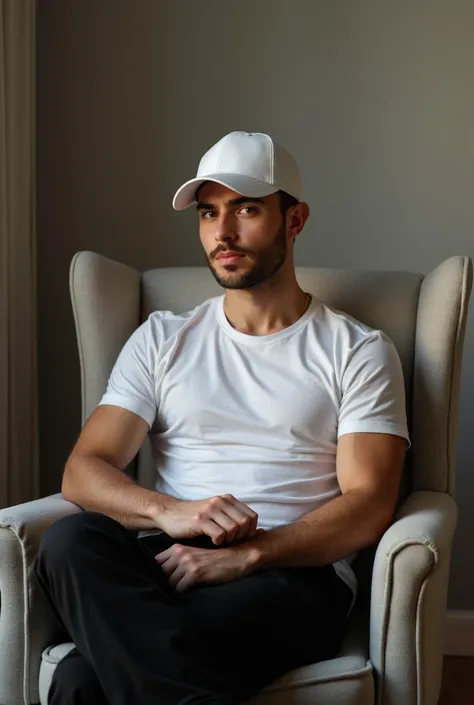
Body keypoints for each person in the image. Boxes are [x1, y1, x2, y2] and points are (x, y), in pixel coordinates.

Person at [35, 131, 410, 705]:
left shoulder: (356, 350)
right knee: (69, 541)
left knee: (83, 681)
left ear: (295, 219)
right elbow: (84, 470)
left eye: (247, 209)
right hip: (165, 555)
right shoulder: (162, 338)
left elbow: (369, 504)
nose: (223, 233)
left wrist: (248, 554)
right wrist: (173, 512)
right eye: (209, 213)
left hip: (291, 574)